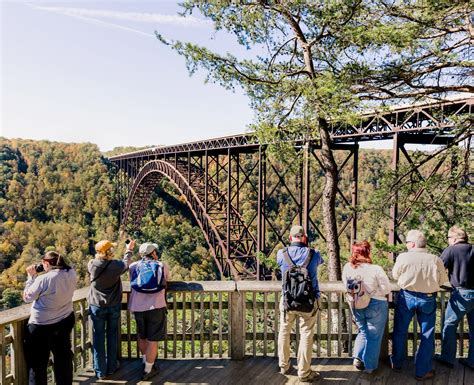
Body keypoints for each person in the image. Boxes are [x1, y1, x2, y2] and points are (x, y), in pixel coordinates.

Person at [390, 229, 450, 381]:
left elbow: (395, 275)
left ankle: (397, 363)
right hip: (428, 299)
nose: (407, 245)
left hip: (406, 297)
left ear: (413, 244)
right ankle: (422, 371)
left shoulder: (404, 257)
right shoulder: (435, 259)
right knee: (427, 335)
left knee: (400, 330)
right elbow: (443, 280)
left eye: (408, 243)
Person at [277, 225, 323, 382]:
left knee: (284, 330)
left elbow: (279, 265)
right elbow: (320, 262)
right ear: (304, 237)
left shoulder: (281, 254)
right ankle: (304, 372)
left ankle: (284, 365)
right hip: (308, 300)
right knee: (306, 334)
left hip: (287, 300)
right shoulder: (314, 254)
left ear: (290, 238)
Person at [23, 251, 77, 385]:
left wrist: (31, 277)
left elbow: (27, 297)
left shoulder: (44, 279)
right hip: (64, 320)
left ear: (47, 263)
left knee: (38, 364)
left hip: (41, 326)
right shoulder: (71, 273)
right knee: (63, 359)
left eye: (43, 264)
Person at [88, 239, 135, 379]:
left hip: (96, 305)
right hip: (113, 305)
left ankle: (100, 370)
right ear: (109, 252)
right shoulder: (116, 266)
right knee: (112, 335)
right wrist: (129, 249)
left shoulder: (92, 264)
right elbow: (126, 263)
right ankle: (112, 367)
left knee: (98, 338)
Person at [342, 240, 391, 374]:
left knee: (363, 331)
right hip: (376, 304)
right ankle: (369, 366)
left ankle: (358, 358)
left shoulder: (347, 267)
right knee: (374, 336)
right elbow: (387, 289)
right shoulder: (375, 269)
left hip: (355, 303)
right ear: (367, 252)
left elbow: (345, 285)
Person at [128, 242, 170, 381]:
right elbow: (166, 280)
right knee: (153, 339)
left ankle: (145, 360)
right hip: (156, 306)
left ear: (141, 254)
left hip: (137, 306)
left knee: (142, 335)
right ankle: (148, 369)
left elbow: (133, 282)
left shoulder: (133, 266)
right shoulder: (162, 265)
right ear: (153, 253)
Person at [435, 226, 474, 369]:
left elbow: (437, 268)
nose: (448, 241)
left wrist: (441, 282)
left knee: (449, 325)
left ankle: (447, 358)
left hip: (460, 294)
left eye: (449, 238)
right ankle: (472, 360)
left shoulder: (451, 250)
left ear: (455, 238)